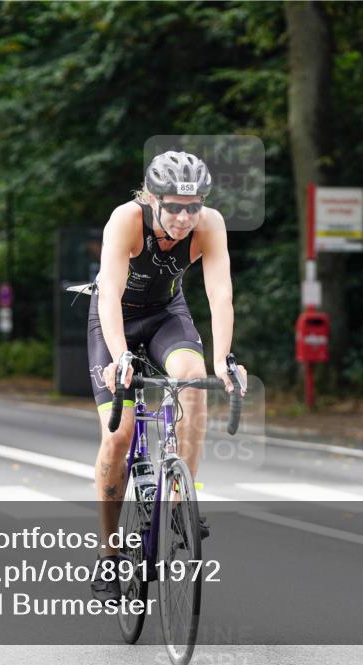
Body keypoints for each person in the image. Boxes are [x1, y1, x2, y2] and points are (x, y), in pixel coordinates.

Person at [88, 150, 247, 602]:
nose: (183, 217)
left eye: (192, 206)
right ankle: (109, 552)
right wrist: (119, 358)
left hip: (164, 316)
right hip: (114, 318)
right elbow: (109, 295)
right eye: (174, 206)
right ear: (152, 198)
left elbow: (220, 295)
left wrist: (224, 362)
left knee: (194, 380)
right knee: (118, 437)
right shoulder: (126, 220)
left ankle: (180, 505)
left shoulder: (209, 225)